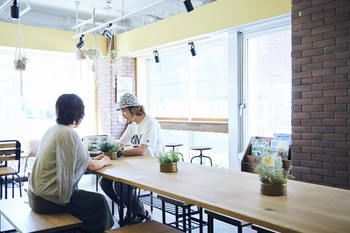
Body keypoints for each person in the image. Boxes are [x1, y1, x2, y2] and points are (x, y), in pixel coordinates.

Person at [28, 93, 114, 233]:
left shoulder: (52, 130)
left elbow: (78, 160)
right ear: (78, 114)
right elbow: (91, 166)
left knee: (85, 199)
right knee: (99, 202)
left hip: (35, 196)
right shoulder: (69, 134)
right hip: (48, 200)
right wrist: (105, 160)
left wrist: (93, 159)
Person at [100, 93, 163, 224]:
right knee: (104, 182)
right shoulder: (132, 125)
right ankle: (130, 207)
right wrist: (104, 152)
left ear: (132, 109)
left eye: (123, 110)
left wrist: (119, 153)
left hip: (152, 166)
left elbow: (141, 151)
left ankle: (140, 212)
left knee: (120, 184)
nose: (122, 114)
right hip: (137, 166)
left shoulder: (149, 123)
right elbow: (119, 144)